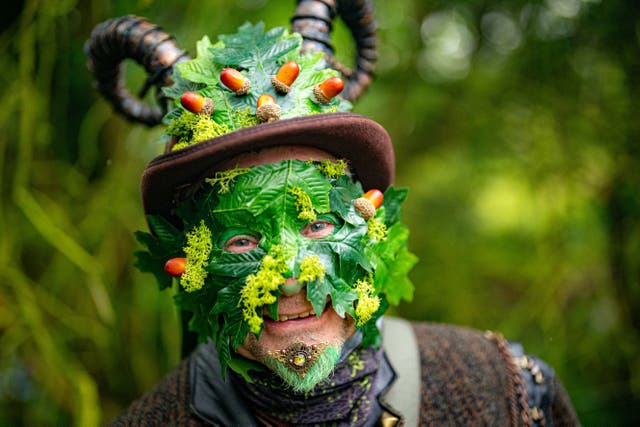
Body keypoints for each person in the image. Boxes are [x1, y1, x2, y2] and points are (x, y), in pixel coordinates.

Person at [85, 2, 580, 426]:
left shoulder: (504, 394)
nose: (291, 278)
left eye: (318, 224)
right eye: (242, 241)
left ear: (370, 231)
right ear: (189, 263)